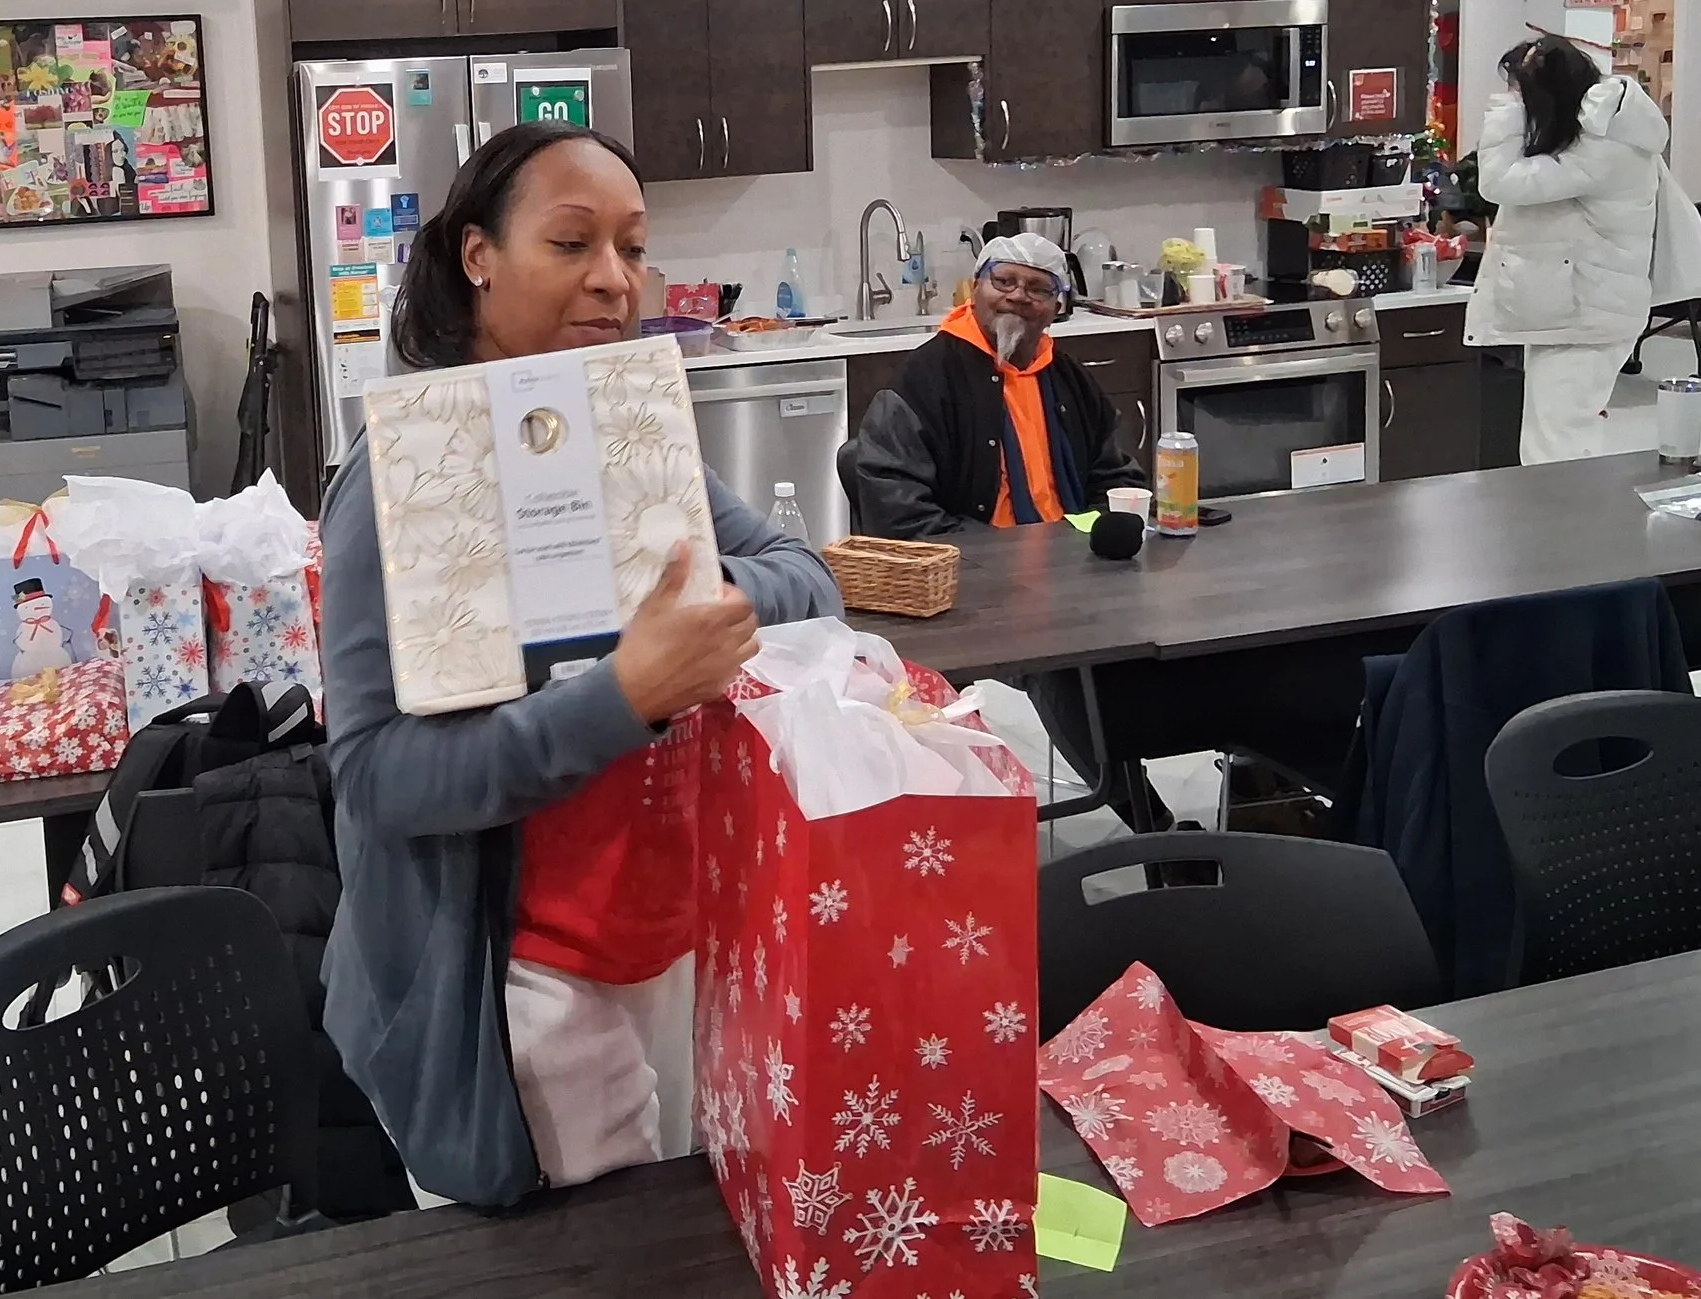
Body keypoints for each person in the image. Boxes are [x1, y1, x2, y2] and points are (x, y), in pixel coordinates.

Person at [318, 121, 840, 1208]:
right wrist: (625, 694)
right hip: (524, 978)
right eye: (571, 244)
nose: (615, 280)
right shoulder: (406, 476)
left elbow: (803, 574)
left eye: (633, 247)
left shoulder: (626, 430)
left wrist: (705, 612)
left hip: (674, 933)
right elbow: (379, 777)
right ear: (477, 257)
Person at [850, 232, 1147, 534]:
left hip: (1074, 559)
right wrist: (995, 555)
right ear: (975, 288)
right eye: (1004, 281)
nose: (1018, 296)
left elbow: (1117, 479)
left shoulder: (1070, 380)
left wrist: (1093, 539)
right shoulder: (922, 383)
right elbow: (899, 515)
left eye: (1038, 289)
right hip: (972, 569)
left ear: (1056, 310)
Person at [1465, 32, 1672, 463]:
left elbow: (1500, 181)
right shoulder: (1599, 133)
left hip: (1588, 313)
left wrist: (1505, 110)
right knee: (1553, 434)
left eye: (1521, 92)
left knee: (1558, 442)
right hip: (1574, 308)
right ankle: (1559, 524)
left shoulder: (1607, 143)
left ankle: (1566, 527)